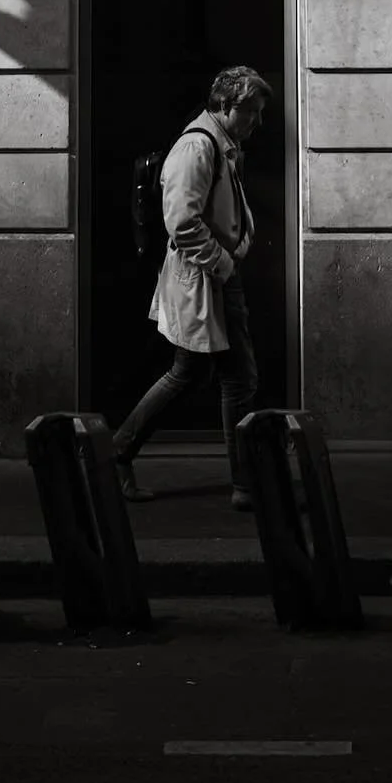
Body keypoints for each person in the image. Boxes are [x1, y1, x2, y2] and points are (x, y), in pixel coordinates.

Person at [112, 64, 273, 512]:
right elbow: (182, 222)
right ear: (225, 105)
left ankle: (118, 452)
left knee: (189, 374)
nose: (257, 123)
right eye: (252, 113)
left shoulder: (221, 143)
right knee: (237, 380)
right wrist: (223, 264)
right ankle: (245, 485)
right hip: (209, 279)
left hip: (213, 278)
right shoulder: (197, 146)